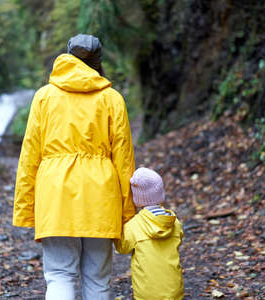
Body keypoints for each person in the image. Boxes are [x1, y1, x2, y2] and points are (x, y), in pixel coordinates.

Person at [13, 34, 136, 300]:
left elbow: (29, 156)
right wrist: (128, 212)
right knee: (98, 280)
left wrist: (26, 207)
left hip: (55, 197)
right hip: (101, 199)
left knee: (59, 276)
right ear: (98, 62)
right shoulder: (112, 99)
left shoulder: (44, 97)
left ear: (67, 56)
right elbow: (124, 161)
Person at [115, 167, 184, 300]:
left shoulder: (134, 225)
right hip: (174, 292)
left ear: (137, 197)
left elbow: (122, 248)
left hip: (146, 294)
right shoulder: (174, 222)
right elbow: (178, 241)